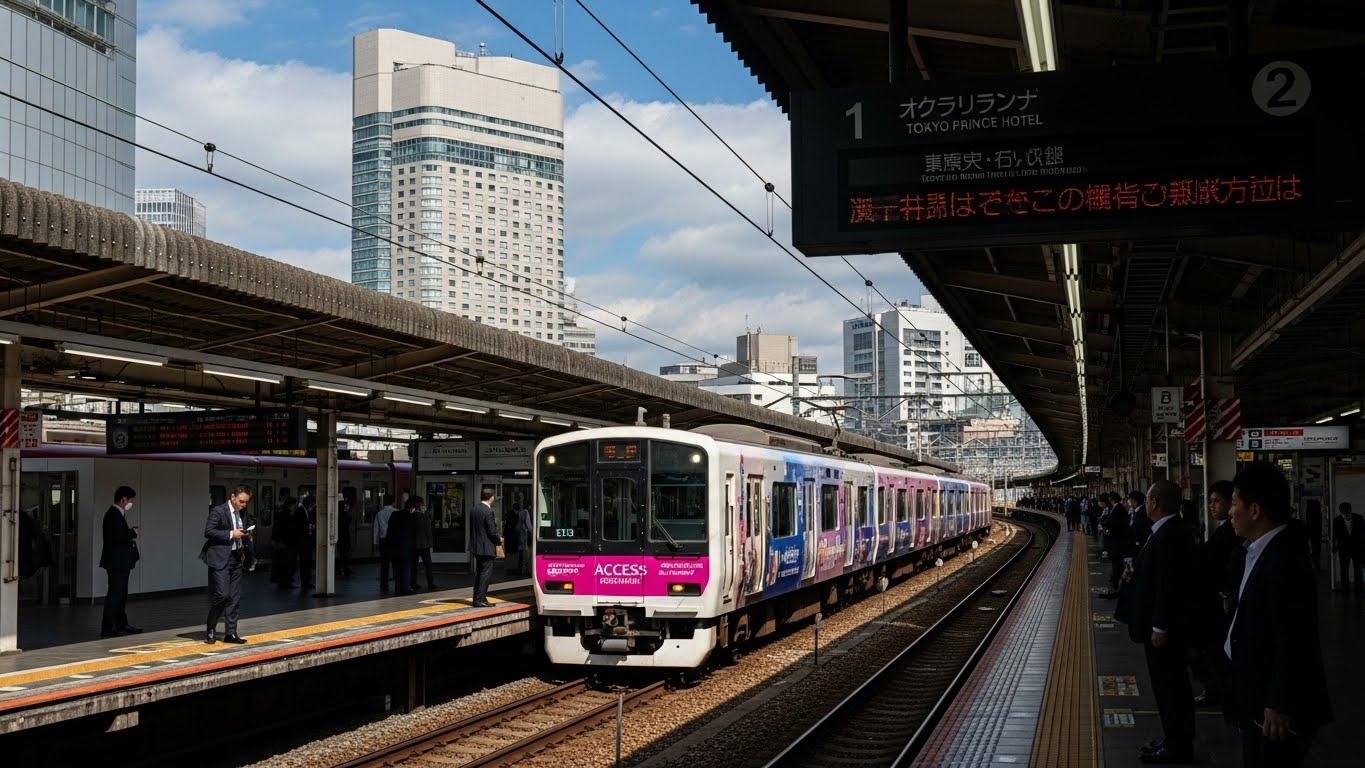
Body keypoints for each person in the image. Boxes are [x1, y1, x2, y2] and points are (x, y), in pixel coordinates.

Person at [1226, 462, 1332, 767]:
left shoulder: (1284, 561)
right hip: (1257, 694)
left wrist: (1279, 701)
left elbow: (1294, 637)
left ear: (1255, 510)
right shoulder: (1260, 550)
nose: (1231, 512)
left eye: (1235, 504)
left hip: (1274, 708)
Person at [1122, 479, 1198, 765]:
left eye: (1148, 500)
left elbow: (1169, 585)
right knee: (1169, 688)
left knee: (1171, 690)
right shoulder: (1167, 532)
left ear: (1154, 503)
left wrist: (1159, 627)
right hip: (1162, 627)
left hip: (1164, 632)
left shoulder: (1168, 535)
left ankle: (1178, 746)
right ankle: (1172, 739)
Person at [1192, 480, 1241, 709]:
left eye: (1216, 501)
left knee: (1214, 650)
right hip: (1218, 600)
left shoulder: (1234, 532)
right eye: (1209, 501)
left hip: (1222, 604)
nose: (1211, 506)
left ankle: (1222, 692)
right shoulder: (1226, 529)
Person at [199, 485, 253, 644]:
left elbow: (241, 530)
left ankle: (231, 633)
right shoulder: (218, 511)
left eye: (246, 502)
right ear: (233, 497)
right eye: (241, 501)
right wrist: (231, 534)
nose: (243, 505)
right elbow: (209, 531)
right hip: (220, 558)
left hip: (237, 558)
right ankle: (210, 628)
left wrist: (246, 536)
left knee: (235, 598)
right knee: (222, 595)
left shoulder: (242, 512)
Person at [99, 486, 141, 638]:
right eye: (130, 500)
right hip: (116, 562)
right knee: (115, 595)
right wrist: (132, 532)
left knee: (121, 594)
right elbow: (117, 537)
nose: (131, 503)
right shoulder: (114, 514)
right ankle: (109, 627)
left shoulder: (117, 514)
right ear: (123, 499)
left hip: (120, 562)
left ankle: (121, 624)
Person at [469, 489, 503, 607]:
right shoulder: (488, 511)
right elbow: (492, 531)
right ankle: (481, 600)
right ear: (491, 497)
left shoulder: (474, 509)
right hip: (486, 547)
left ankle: (476, 598)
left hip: (476, 547)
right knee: (485, 574)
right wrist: (499, 539)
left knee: (479, 573)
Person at [1331, 501, 1364, 595]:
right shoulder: (1336, 520)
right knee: (1344, 569)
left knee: (1358, 569)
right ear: (1341, 513)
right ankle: (1345, 589)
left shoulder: (1358, 518)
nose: (1346, 516)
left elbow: (1363, 535)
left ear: (1351, 511)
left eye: (1348, 514)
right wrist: (1334, 546)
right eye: (1344, 514)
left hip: (1356, 548)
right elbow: (1334, 535)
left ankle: (1359, 589)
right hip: (1343, 549)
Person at [386, 497, 416, 595]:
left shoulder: (395, 514)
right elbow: (414, 532)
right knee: (406, 568)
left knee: (396, 568)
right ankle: (406, 588)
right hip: (406, 546)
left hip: (394, 546)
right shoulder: (412, 517)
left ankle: (398, 586)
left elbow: (389, 531)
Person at [410, 495, 436, 591]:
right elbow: (428, 529)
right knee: (428, 564)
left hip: (413, 544)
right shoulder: (424, 514)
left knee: (413, 565)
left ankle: (412, 583)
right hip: (424, 544)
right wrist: (430, 542)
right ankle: (430, 583)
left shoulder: (410, 514)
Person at [374, 493, 396, 591]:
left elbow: (376, 529)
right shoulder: (397, 512)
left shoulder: (379, 513)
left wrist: (375, 543)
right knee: (396, 563)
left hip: (383, 541)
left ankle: (384, 583)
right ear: (393, 502)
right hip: (394, 540)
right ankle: (397, 581)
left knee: (384, 564)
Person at [337, 488, 356, 577]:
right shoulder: (344, 515)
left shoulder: (341, 514)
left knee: (342, 552)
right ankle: (344, 568)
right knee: (344, 552)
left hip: (341, 536)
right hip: (344, 536)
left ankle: (343, 567)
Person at [514, 504, 534, 576]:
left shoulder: (518, 513)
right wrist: (532, 533)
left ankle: (520, 568)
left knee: (521, 552)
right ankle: (524, 569)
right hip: (523, 535)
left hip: (519, 535)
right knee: (525, 552)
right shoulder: (525, 512)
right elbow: (528, 526)